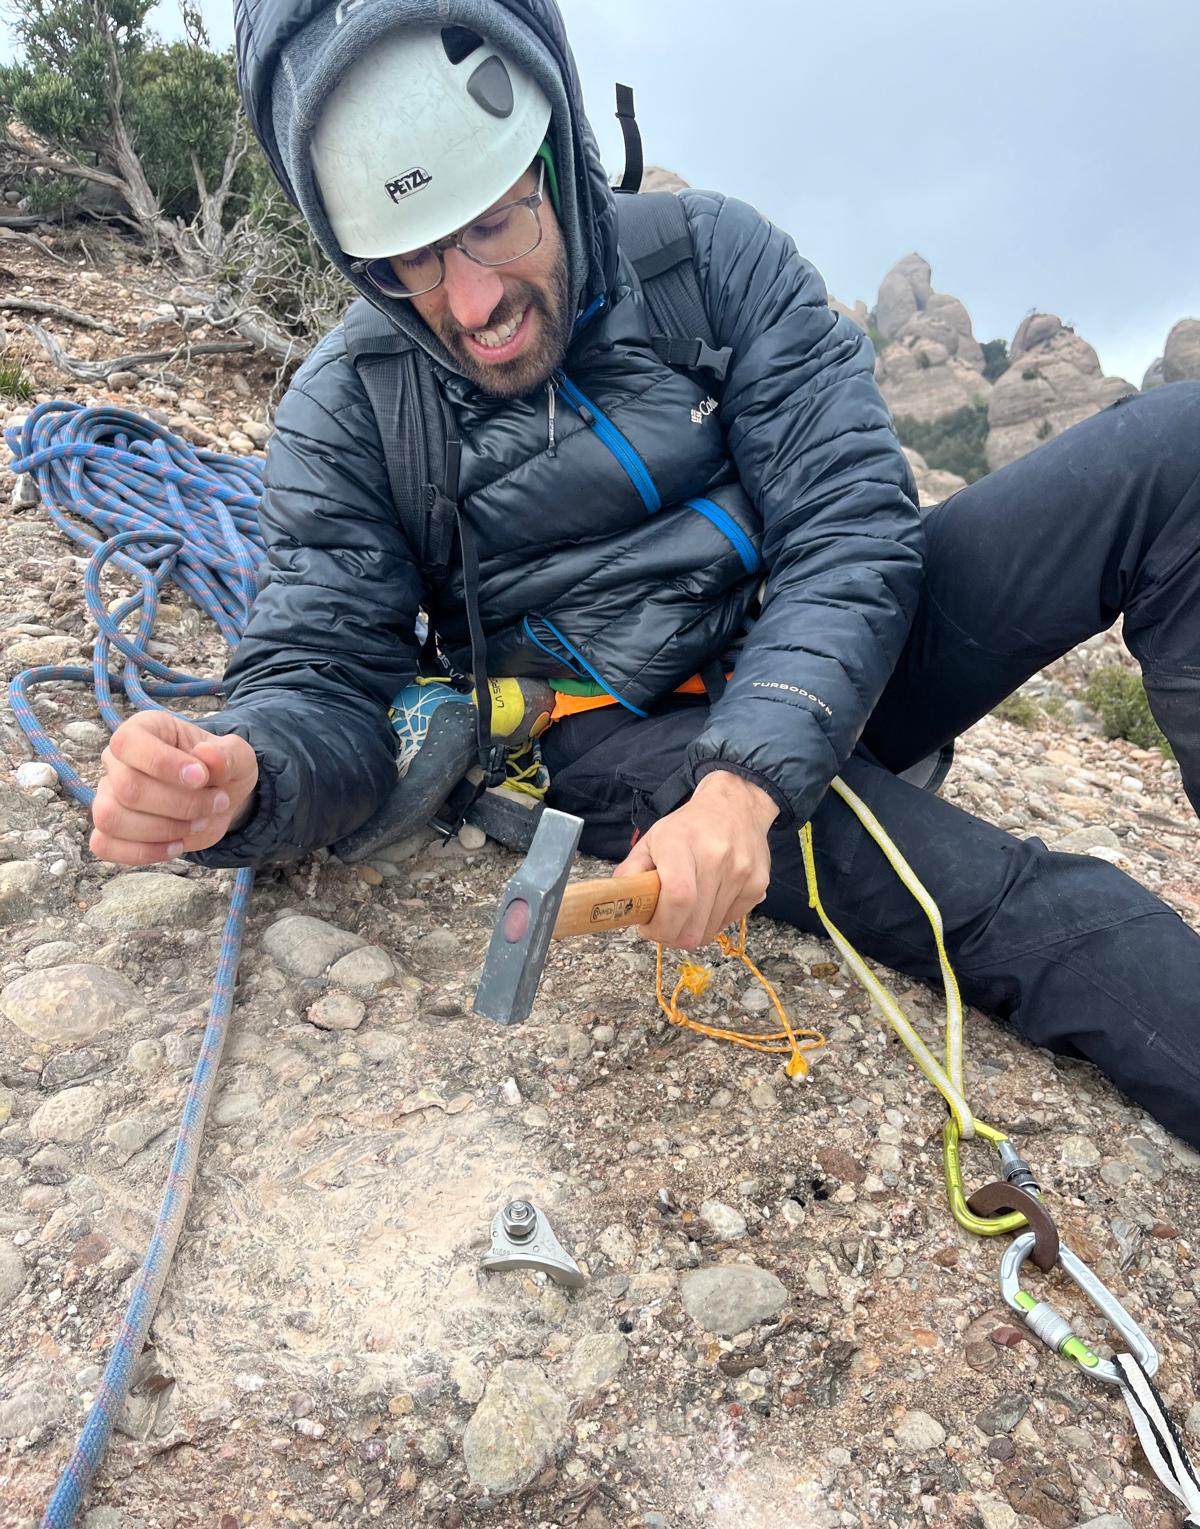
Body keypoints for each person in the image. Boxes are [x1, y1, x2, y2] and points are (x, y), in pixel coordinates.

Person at [89, 0, 1200, 1147]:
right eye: (413, 257)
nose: (473, 304)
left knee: (1177, 456)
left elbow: (851, 518)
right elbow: (325, 671)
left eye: (495, 223)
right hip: (619, 736)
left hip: (820, 653)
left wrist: (752, 776)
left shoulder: (711, 258)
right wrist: (245, 774)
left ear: (557, 149)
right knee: (1032, 905)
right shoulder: (351, 409)